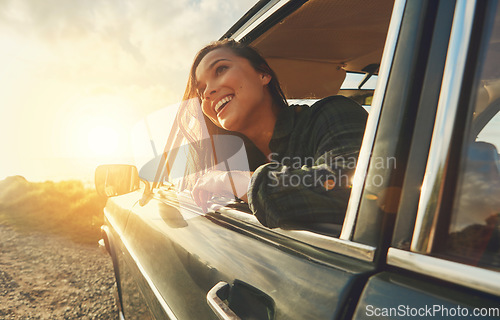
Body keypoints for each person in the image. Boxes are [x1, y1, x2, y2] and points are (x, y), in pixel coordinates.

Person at [177, 39, 368, 229]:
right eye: (201, 91)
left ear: (263, 74)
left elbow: (356, 196)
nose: (208, 92)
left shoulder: (332, 113)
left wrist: (225, 180)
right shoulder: (231, 160)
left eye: (220, 69)